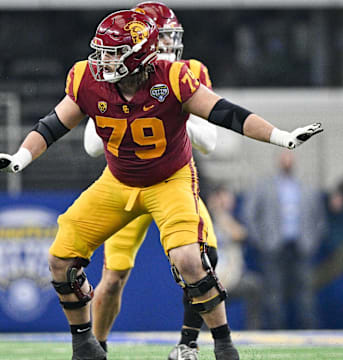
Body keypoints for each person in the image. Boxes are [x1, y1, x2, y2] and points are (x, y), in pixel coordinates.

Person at [0, 9, 323, 360]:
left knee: (191, 260)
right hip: (117, 181)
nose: (102, 60)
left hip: (169, 180)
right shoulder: (86, 78)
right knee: (60, 260)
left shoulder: (173, 77)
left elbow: (227, 114)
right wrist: (21, 157)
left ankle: (222, 345)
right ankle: (86, 346)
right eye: (102, 51)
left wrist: (280, 136)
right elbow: (52, 125)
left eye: (112, 52)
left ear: (136, 56)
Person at [83, 3, 218, 360]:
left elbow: (210, 141)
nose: (172, 45)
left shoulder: (189, 73)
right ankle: (98, 347)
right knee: (112, 279)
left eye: (174, 37)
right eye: (165, 38)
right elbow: (91, 146)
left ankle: (187, 343)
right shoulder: (111, 76)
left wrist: (174, 109)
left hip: (172, 180)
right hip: (126, 185)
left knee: (205, 258)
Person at [245, 150, 326, 329]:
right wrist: (261, 240)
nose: (287, 161)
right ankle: (276, 329)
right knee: (273, 289)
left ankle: (309, 329)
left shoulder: (306, 188)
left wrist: (312, 241)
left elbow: (319, 218)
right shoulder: (264, 187)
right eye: (284, 157)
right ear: (278, 161)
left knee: (305, 290)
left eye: (290, 157)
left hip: (301, 245)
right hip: (273, 245)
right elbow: (250, 215)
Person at [208, 186, 263, 330]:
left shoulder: (231, 220)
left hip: (232, 278)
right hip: (211, 280)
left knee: (254, 286)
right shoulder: (204, 219)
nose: (229, 201)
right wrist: (217, 212)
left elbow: (239, 235)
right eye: (225, 197)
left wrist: (222, 215)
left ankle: (253, 332)